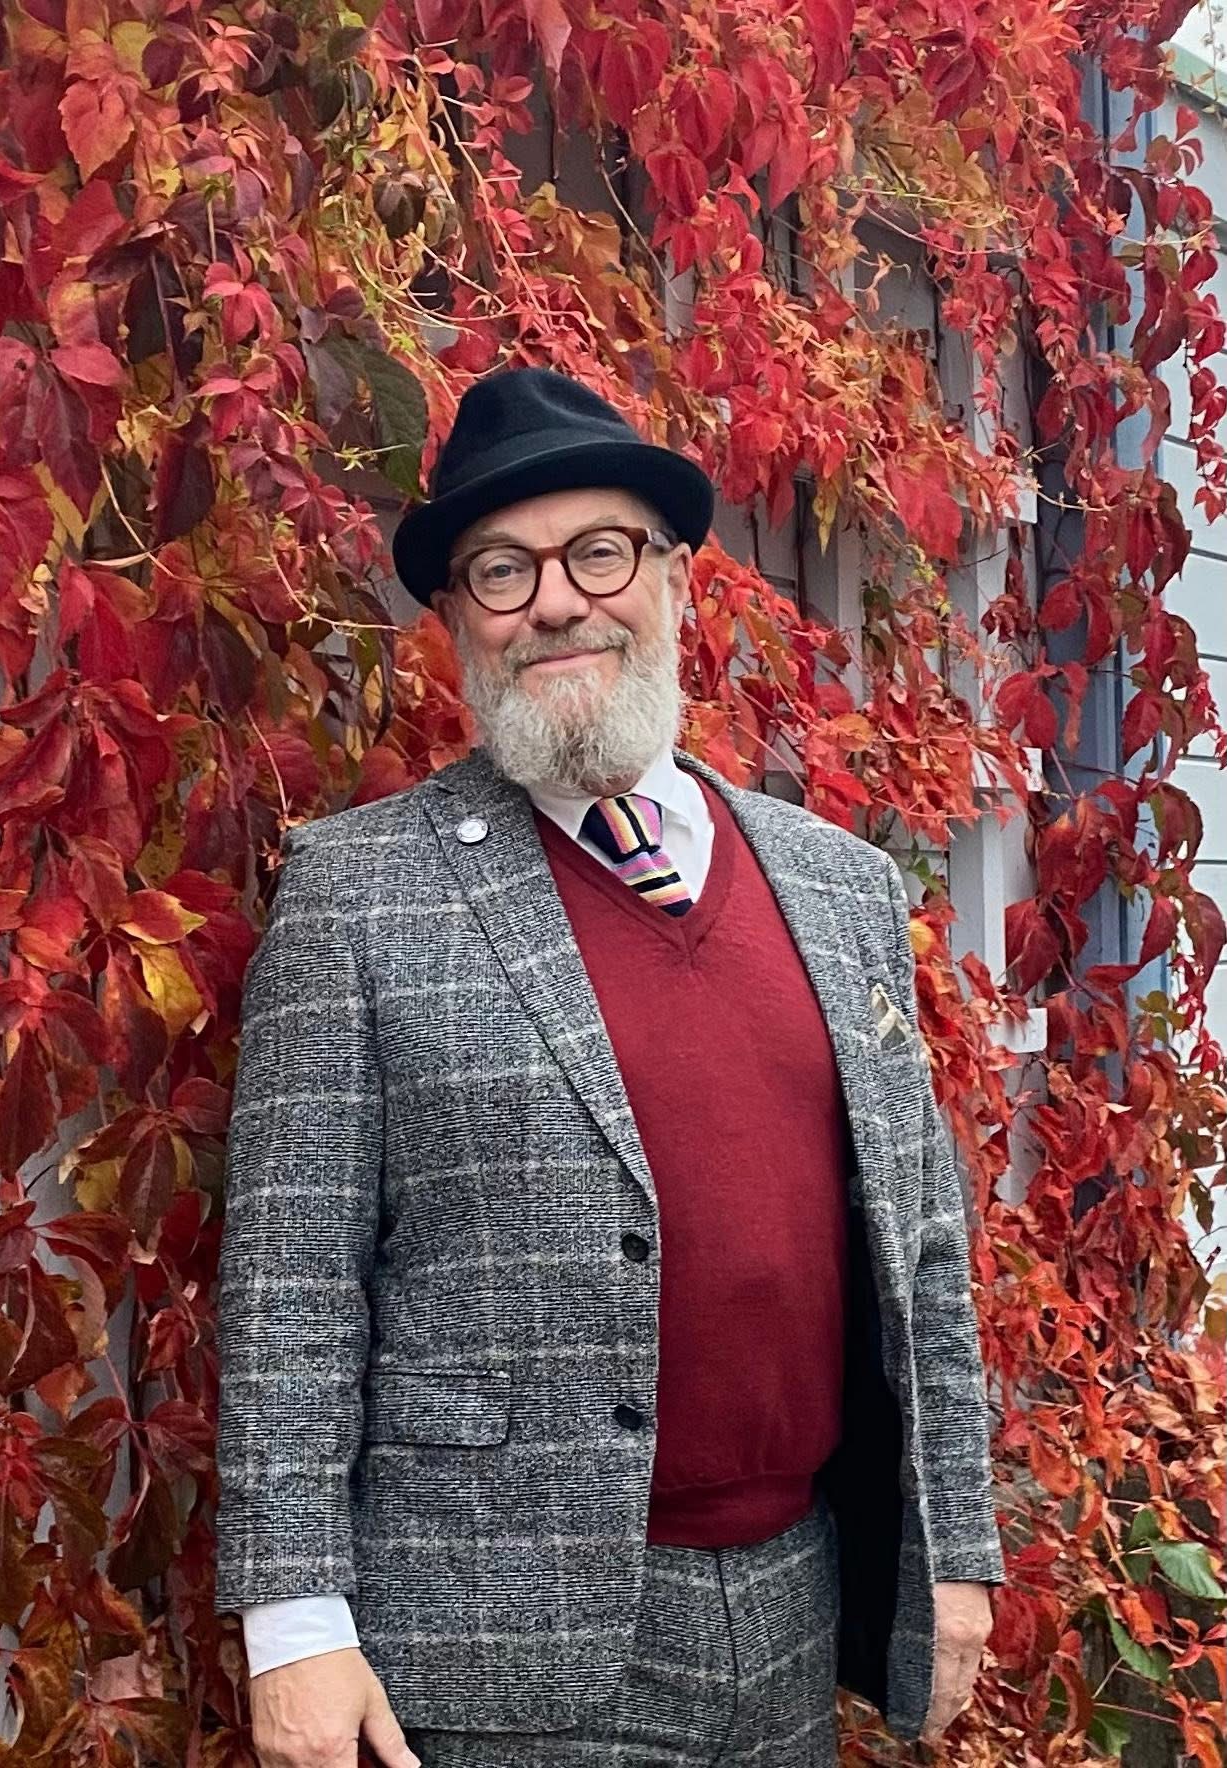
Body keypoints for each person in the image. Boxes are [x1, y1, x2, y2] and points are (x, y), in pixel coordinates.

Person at [213, 366, 1005, 1768]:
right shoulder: (356, 895)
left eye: (598, 553)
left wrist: (956, 1550)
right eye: (501, 571)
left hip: (797, 1599)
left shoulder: (838, 888)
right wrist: (292, 1625)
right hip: (488, 1640)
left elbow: (923, 1250)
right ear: (457, 619)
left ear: (676, 580)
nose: (555, 603)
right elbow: (290, 1285)